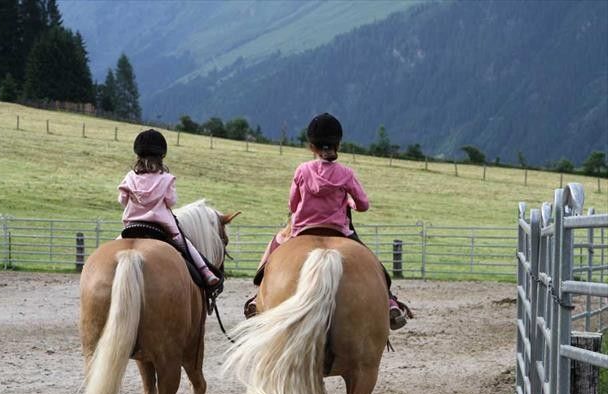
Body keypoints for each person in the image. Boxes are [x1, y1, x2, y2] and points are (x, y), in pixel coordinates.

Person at [244, 113, 412, 329]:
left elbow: (293, 205)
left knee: (275, 247)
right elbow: (363, 205)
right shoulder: (346, 173)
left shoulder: (302, 170)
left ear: (311, 147)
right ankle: (389, 302)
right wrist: (349, 203)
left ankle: (257, 296)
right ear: (338, 145)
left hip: (302, 230)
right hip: (340, 231)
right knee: (374, 265)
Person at [118, 129, 220, 287]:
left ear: (138, 155)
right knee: (187, 245)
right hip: (162, 227)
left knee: (111, 246)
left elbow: (122, 200)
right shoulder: (166, 179)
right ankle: (206, 272)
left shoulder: (129, 177)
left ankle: (89, 266)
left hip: (132, 226)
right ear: (161, 156)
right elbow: (171, 201)